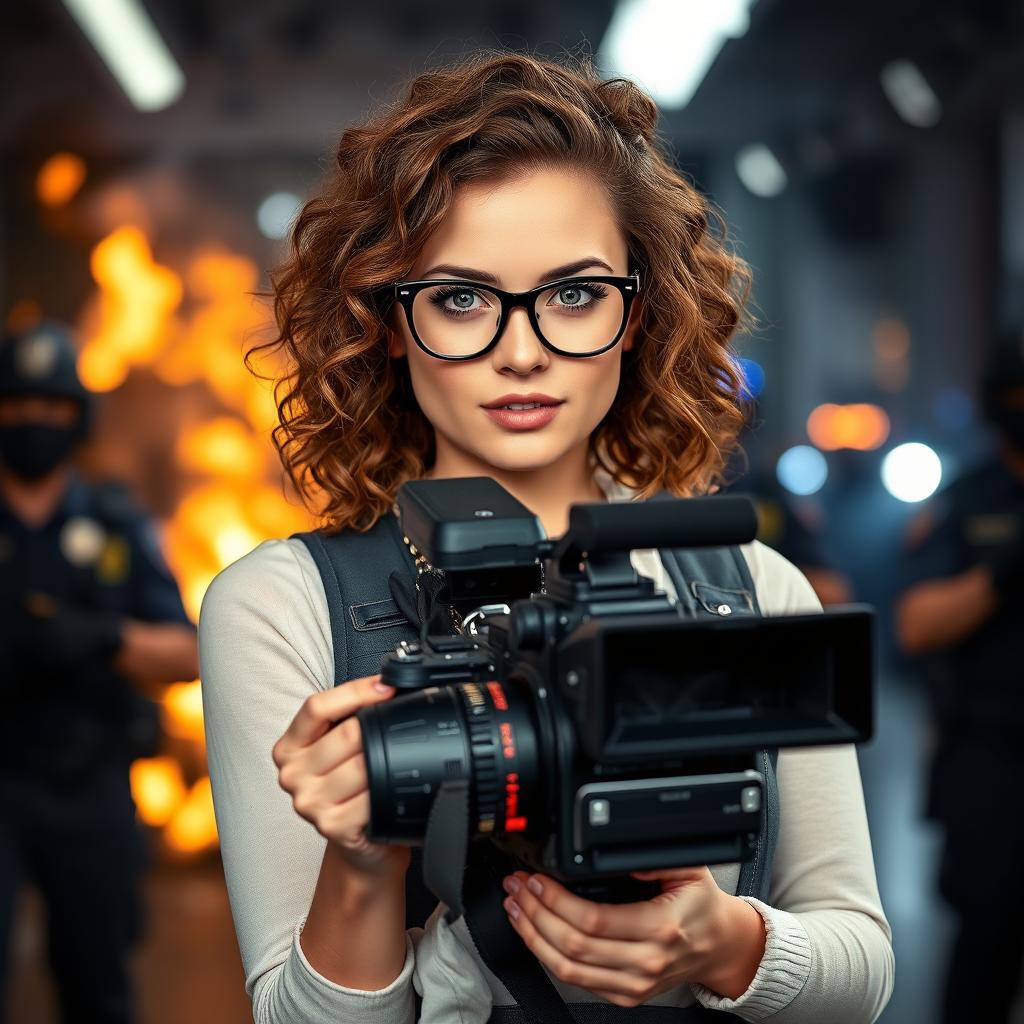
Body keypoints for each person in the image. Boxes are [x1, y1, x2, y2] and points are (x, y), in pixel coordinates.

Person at [199, 52, 894, 1023]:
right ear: (390, 323)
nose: (520, 350)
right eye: (461, 298)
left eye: (572, 294)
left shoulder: (748, 585)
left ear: (634, 312)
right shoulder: (283, 606)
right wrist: (362, 863)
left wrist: (727, 942)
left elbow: (859, 967)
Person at [0, 320, 199, 1024]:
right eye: (17, 404)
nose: (33, 421)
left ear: (75, 415)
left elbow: (188, 653)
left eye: (50, 406)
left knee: (99, 987)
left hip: (89, 783)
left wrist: (102, 636)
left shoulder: (115, 522)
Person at [895, 330, 1024, 1024]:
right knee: (987, 946)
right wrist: (1001, 574)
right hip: (993, 757)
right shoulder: (970, 501)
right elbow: (916, 624)